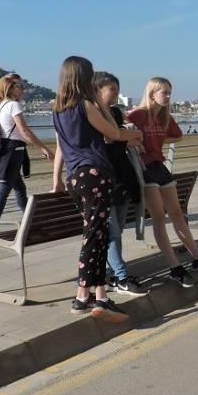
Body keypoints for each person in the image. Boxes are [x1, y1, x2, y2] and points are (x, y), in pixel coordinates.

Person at [51, 56, 141, 322]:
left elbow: (64, 145)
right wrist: (134, 135)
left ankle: (98, 294)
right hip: (95, 175)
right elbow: (112, 133)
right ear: (84, 78)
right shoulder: (86, 105)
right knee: (95, 237)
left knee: (97, 236)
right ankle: (82, 297)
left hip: (75, 179)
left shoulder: (57, 109)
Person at [127, 77, 198, 287]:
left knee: (177, 214)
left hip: (160, 167)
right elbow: (121, 133)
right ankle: (175, 267)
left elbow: (178, 136)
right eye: (164, 92)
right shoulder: (137, 114)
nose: (168, 96)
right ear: (152, 93)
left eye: (170, 92)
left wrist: (159, 141)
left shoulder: (164, 116)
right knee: (159, 217)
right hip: (144, 169)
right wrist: (137, 142)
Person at [94, 72, 148, 296]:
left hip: (123, 178)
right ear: (98, 90)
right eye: (112, 89)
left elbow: (130, 137)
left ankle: (117, 274)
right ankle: (121, 276)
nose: (116, 93)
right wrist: (127, 134)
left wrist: (126, 134)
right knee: (112, 231)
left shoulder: (115, 112)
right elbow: (111, 137)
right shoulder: (92, 114)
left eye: (117, 89)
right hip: (106, 179)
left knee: (116, 232)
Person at [0, 73, 53, 230]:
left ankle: (31, 219)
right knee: (3, 189)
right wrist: (44, 148)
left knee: (19, 188)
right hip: (13, 152)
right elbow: (25, 131)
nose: (23, 89)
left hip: (0, 149)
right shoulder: (14, 105)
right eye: (20, 86)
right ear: (10, 88)